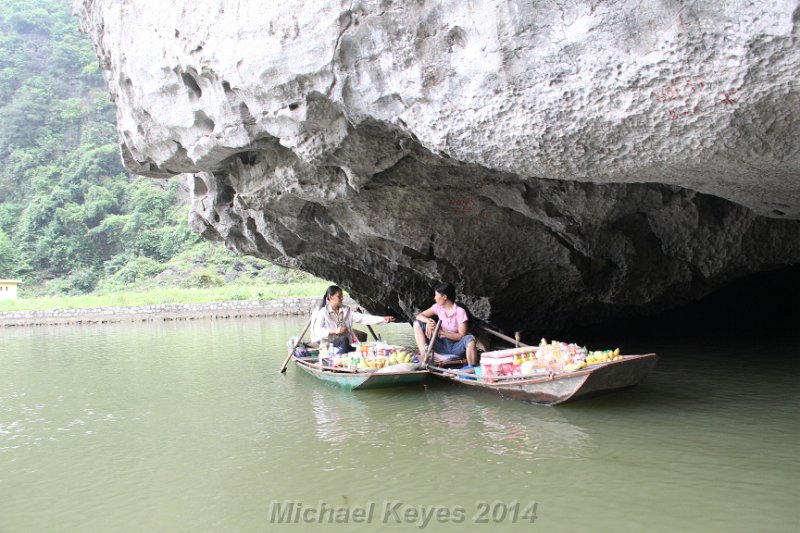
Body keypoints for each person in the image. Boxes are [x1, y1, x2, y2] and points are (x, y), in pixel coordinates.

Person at [311, 285, 395, 351]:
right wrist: (334, 331)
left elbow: (363, 318)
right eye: (339, 296)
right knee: (344, 339)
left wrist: (382, 319)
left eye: (342, 296)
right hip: (329, 346)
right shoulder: (323, 312)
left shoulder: (346, 310)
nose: (342, 298)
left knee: (360, 347)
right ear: (330, 297)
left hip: (346, 345)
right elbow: (317, 331)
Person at [414, 282, 477, 366]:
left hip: (455, 347)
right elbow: (419, 316)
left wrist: (440, 332)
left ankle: (471, 367)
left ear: (444, 297)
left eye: (436, 295)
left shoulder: (460, 311)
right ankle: (425, 355)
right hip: (440, 345)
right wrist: (428, 321)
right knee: (417, 324)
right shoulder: (437, 307)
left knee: (470, 339)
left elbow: (461, 335)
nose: (434, 298)